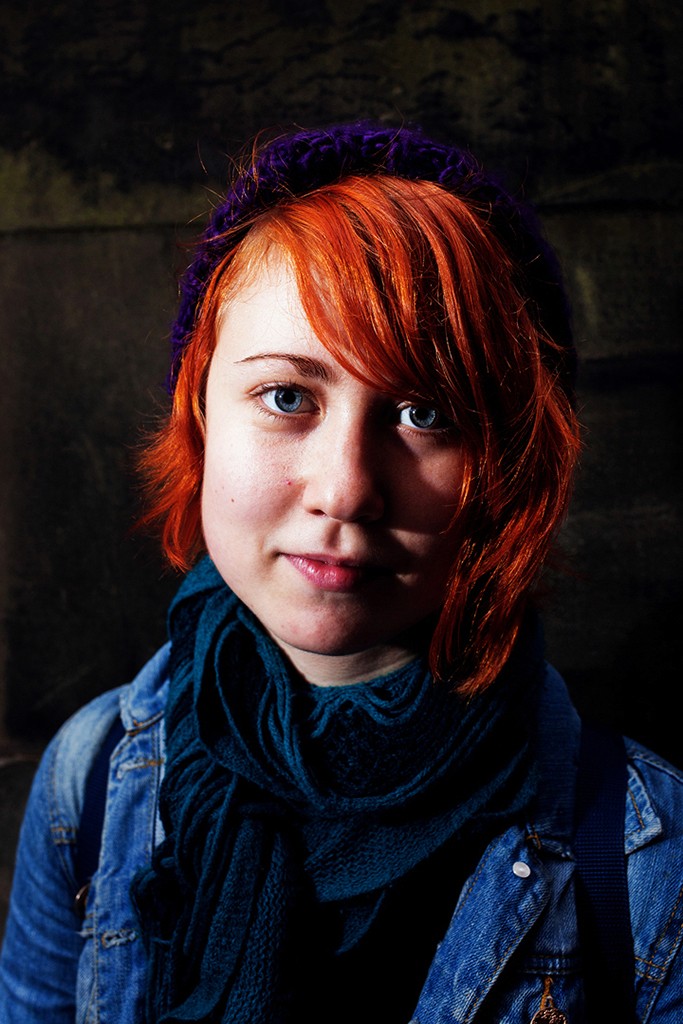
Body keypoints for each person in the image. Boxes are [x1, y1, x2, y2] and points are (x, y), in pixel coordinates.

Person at [1, 121, 681, 1024]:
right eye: (286, 397)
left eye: (422, 412)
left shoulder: (645, 858)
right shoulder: (90, 784)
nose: (347, 488)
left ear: (507, 467)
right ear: (200, 417)